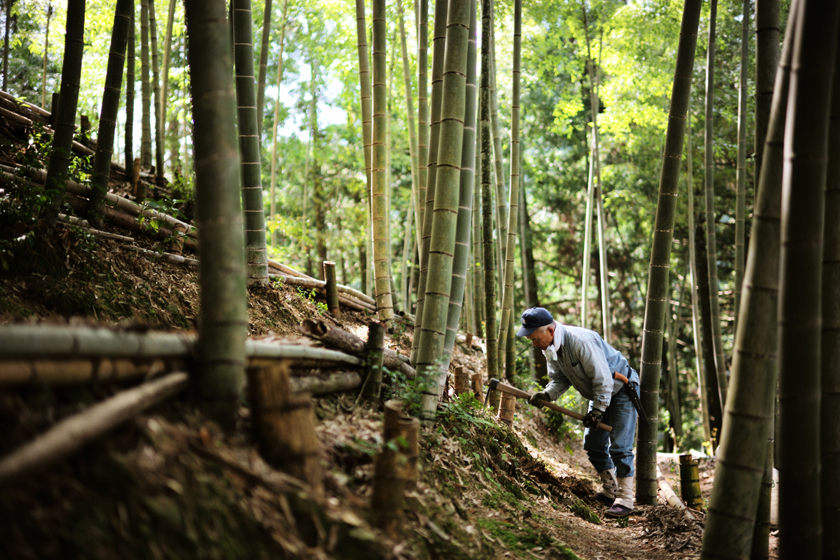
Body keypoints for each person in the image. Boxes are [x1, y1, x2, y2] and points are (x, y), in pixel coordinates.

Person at [516, 307, 640, 518]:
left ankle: (626, 499)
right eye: (531, 340)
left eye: (535, 339)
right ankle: (611, 491)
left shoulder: (581, 341)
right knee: (593, 444)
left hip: (620, 391)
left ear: (550, 331)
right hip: (599, 395)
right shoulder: (549, 349)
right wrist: (547, 395)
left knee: (620, 447)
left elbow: (603, 378)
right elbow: (559, 379)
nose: (534, 344)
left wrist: (598, 410)